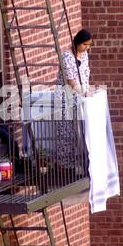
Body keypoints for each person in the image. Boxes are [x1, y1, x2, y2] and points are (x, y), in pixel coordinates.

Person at [53, 29, 93, 172]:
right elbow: (70, 80)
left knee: (81, 132)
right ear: (77, 42)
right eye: (84, 44)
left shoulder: (85, 55)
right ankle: (66, 167)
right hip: (66, 98)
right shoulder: (66, 57)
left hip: (80, 98)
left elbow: (85, 74)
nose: (86, 48)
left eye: (89, 45)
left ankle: (80, 164)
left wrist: (87, 91)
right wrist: (83, 91)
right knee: (66, 132)